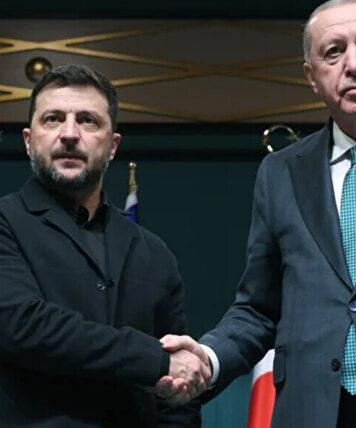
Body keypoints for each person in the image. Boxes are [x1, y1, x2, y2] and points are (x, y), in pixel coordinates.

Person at [155, 0, 356, 427]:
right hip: (311, 412)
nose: (353, 64)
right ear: (311, 76)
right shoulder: (280, 172)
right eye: (333, 52)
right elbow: (259, 309)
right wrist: (207, 358)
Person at [0, 64, 211, 427]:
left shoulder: (154, 253)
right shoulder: (6, 222)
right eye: (53, 119)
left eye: (88, 121)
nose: (69, 134)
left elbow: (179, 399)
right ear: (28, 140)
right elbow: (24, 326)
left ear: (113, 146)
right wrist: (156, 360)